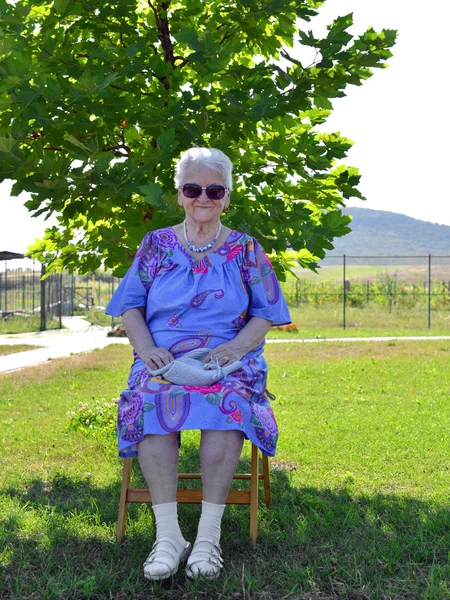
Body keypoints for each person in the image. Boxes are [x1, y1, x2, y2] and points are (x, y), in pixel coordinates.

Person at [106, 147, 291, 581]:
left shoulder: (247, 249)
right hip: (162, 357)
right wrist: (147, 349)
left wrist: (238, 349)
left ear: (227, 197)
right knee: (152, 400)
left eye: (214, 189)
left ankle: (208, 536)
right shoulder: (156, 245)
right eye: (192, 188)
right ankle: (168, 536)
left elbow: (267, 311)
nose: (202, 197)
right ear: (179, 195)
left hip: (228, 358)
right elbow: (129, 306)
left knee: (226, 404)